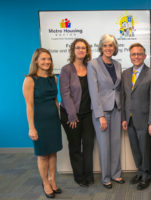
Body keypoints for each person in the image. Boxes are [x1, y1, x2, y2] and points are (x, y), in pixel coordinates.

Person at [23, 48, 62, 198]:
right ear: (36, 61)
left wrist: (59, 117)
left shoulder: (53, 78)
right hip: (40, 122)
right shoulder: (29, 80)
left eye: (49, 59)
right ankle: (45, 182)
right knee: (43, 155)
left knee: (53, 152)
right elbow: (29, 105)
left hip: (53, 121)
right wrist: (31, 127)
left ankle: (52, 179)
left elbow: (55, 100)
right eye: (43, 59)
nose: (47, 62)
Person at [121, 43, 151, 190]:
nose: (136, 56)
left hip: (145, 120)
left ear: (144, 56)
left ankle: (147, 175)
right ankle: (140, 171)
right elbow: (124, 97)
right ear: (130, 56)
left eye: (139, 54)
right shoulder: (125, 74)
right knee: (135, 149)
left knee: (145, 149)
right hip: (130, 119)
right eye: (133, 54)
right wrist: (124, 118)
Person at [87, 34, 124, 189]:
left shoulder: (117, 64)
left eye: (111, 45)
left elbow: (118, 89)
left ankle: (116, 174)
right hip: (101, 111)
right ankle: (106, 177)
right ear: (101, 47)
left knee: (116, 143)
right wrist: (100, 115)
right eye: (105, 45)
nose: (108, 48)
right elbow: (93, 92)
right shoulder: (93, 64)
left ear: (115, 48)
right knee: (104, 145)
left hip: (116, 108)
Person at [59, 38, 95, 187]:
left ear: (87, 51)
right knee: (75, 146)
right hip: (70, 115)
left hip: (87, 114)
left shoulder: (90, 68)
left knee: (88, 145)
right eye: (78, 48)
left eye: (83, 48)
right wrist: (72, 115)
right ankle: (79, 176)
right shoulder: (66, 69)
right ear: (73, 50)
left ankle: (88, 174)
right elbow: (65, 94)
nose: (81, 50)